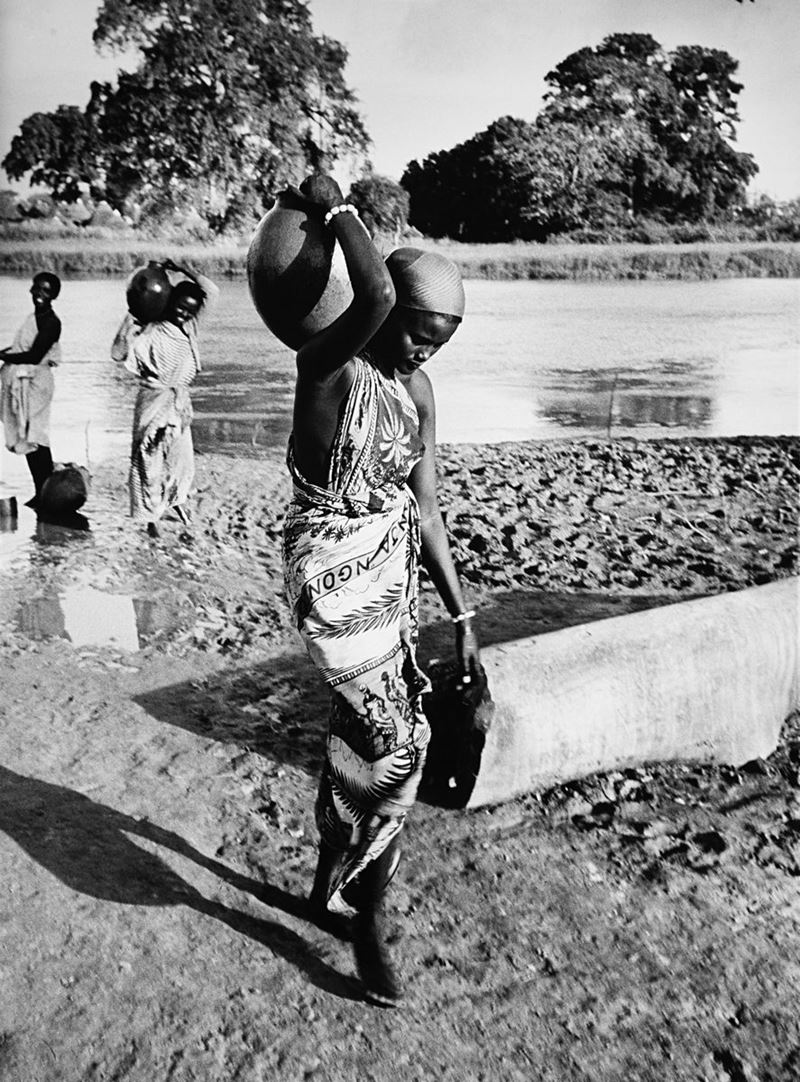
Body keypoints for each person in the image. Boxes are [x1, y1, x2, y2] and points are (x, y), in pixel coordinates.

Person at [281, 174, 480, 1008]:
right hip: (331, 580)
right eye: (415, 334)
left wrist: (462, 616)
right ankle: (366, 911)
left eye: (438, 343)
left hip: (389, 582)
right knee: (402, 748)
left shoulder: (417, 391)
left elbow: (427, 510)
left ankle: (325, 878)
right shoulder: (325, 367)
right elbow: (370, 288)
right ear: (390, 309)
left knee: (353, 737)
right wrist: (336, 207)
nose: (421, 353)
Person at [111, 259, 219, 537]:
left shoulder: (190, 328)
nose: (183, 313)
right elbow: (117, 353)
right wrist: (130, 316)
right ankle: (151, 519)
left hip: (179, 402)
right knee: (149, 460)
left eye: (189, 311)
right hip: (153, 401)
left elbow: (211, 291)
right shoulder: (151, 329)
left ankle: (176, 501)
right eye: (179, 307)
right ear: (167, 301)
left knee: (182, 461)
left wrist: (181, 268)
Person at [0, 271, 62, 508]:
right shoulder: (34, 317)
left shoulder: (51, 322)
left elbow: (35, 355)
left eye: (45, 290)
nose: (39, 294)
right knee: (28, 438)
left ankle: (46, 492)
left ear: (53, 295)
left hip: (37, 383)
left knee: (36, 436)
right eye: (37, 288)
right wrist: (6, 353)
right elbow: (22, 348)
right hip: (27, 379)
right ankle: (41, 491)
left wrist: (1, 355)